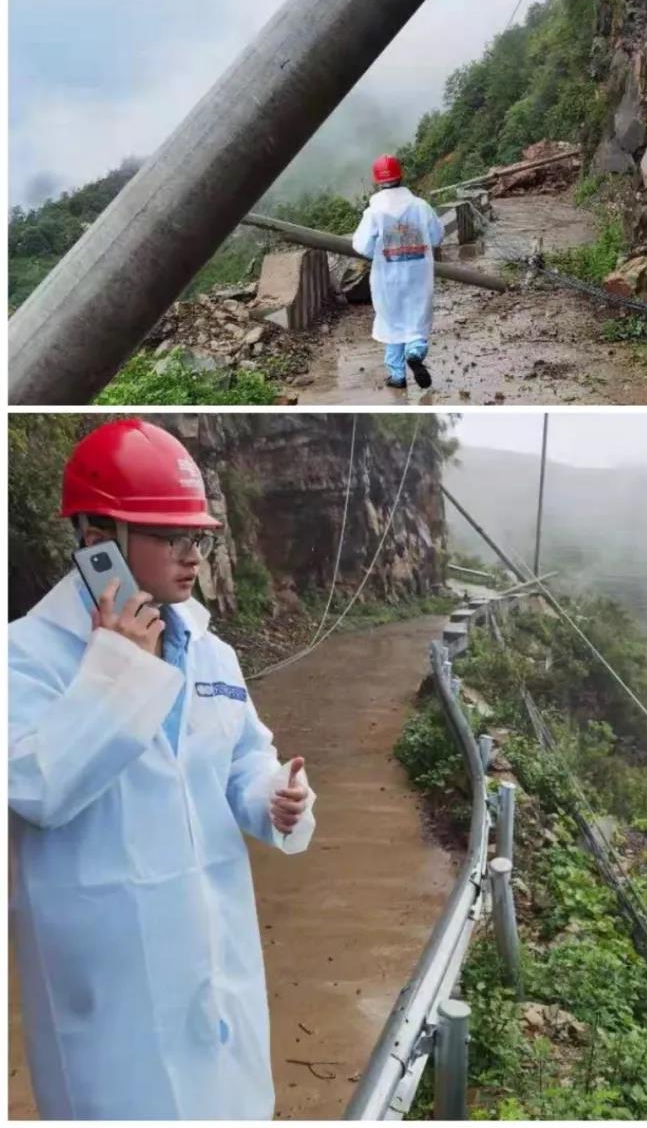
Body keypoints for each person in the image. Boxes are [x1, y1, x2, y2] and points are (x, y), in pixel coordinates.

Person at [9, 419, 316, 1120]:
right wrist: (117, 670)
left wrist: (274, 794)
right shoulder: (24, 654)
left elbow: (242, 756)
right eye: (170, 537)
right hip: (107, 991)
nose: (192, 556)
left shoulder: (211, 652)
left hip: (216, 965)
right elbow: (38, 785)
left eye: (198, 538)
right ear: (97, 543)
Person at [352, 153, 445, 390]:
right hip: (418, 275)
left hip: (387, 278)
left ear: (377, 181)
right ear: (400, 176)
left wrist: (382, 249)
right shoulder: (420, 206)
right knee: (416, 321)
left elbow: (362, 246)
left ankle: (397, 376)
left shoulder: (374, 213)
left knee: (392, 324)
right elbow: (437, 236)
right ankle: (415, 353)